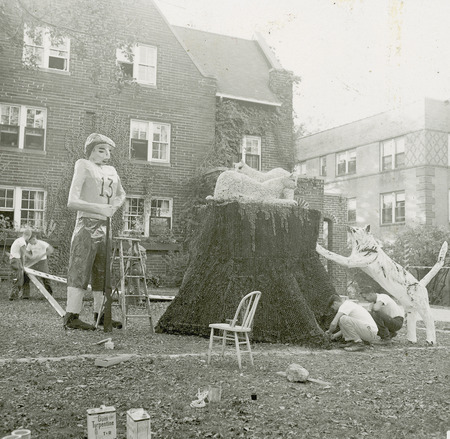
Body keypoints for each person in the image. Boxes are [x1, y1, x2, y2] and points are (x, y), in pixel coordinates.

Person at [64, 133, 126, 330]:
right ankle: (72, 315)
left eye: (108, 150)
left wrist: (113, 208)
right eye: (101, 150)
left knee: (103, 271)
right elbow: (72, 201)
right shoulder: (82, 164)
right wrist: (100, 209)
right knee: (80, 267)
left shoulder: (111, 170)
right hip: (86, 223)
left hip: (105, 225)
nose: (106, 154)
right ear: (90, 151)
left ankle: (101, 314)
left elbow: (121, 194)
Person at [8, 228, 32, 300]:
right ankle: (13, 296)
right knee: (19, 279)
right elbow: (23, 255)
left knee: (16, 278)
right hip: (16, 260)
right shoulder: (22, 242)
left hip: (12, 259)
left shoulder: (17, 240)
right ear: (28, 236)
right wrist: (23, 265)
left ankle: (13, 295)